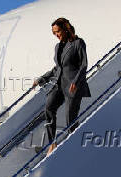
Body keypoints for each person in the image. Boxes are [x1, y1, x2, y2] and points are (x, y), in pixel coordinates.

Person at [33, 17, 91, 155]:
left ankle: (75, 145)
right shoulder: (58, 47)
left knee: (70, 118)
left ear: (65, 29)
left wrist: (76, 82)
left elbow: (84, 65)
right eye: (54, 33)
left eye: (57, 31)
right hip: (59, 85)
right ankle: (52, 143)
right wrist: (42, 79)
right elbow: (57, 68)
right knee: (49, 108)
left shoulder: (78, 43)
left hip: (73, 86)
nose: (56, 35)